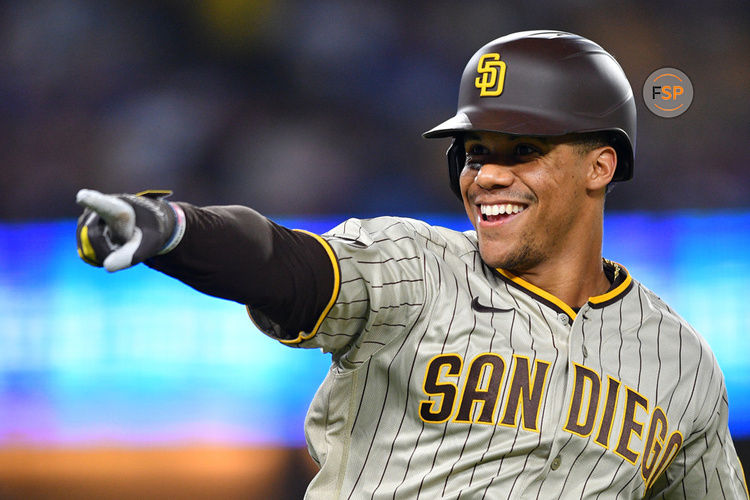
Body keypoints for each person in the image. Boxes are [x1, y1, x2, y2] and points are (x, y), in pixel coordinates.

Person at [75, 30, 747, 498]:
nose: (485, 175)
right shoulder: (418, 267)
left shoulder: (680, 363)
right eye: (474, 152)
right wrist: (177, 231)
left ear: (600, 164)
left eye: (520, 151)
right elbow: (287, 265)